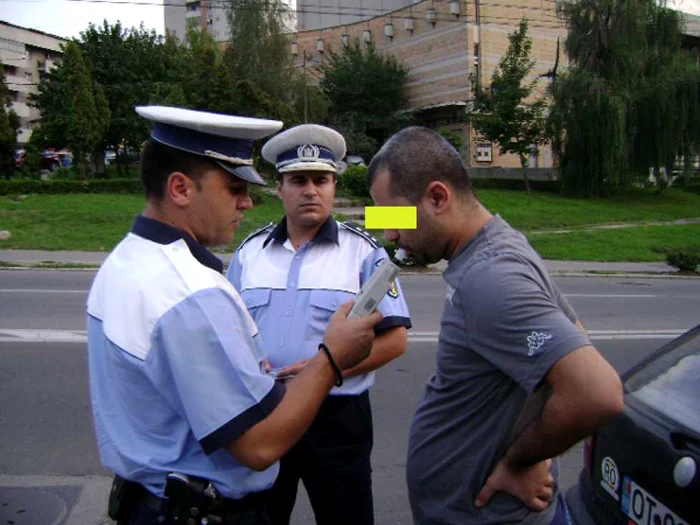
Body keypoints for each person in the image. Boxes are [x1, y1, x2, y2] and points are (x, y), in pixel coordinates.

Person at [86, 106, 383, 525]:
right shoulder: (193, 290)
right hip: (200, 504)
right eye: (233, 187)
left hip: (152, 495)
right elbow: (258, 447)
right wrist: (331, 358)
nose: (246, 202)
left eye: (321, 179)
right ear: (180, 188)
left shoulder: (124, 260)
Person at [366, 126, 624, 525]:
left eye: (396, 217)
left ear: (437, 197)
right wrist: (544, 448)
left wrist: (524, 460)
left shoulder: (489, 277)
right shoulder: (500, 245)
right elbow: (575, 337)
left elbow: (597, 394)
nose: (390, 234)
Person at [227, 124, 411, 525]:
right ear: (280, 189)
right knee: (261, 516)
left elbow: (395, 340)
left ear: (333, 185)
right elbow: (228, 335)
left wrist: (322, 369)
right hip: (267, 412)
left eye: (321, 179)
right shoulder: (249, 253)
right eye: (298, 180)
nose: (310, 189)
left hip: (338, 419)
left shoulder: (365, 253)